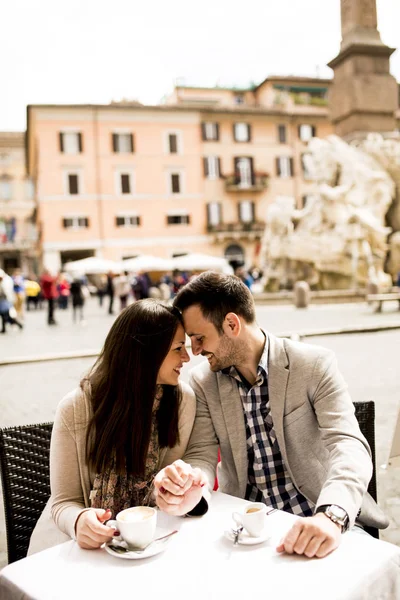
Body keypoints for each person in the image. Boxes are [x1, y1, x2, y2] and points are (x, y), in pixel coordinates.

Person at [154, 271, 389, 559]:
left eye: (199, 338)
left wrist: (331, 515)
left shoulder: (314, 364)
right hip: (247, 528)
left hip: (319, 517)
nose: (196, 351)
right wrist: (190, 485)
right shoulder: (203, 382)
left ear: (231, 324)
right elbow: (202, 454)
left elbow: (349, 446)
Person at [28, 299, 194, 554]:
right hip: (74, 551)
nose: (187, 357)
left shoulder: (182, 401)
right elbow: (62, 503)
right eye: (178, 348)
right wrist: (78, 520)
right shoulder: (75, 408)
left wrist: (175, 490)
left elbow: (181, 476)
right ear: (147, 352)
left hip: (147, 544)